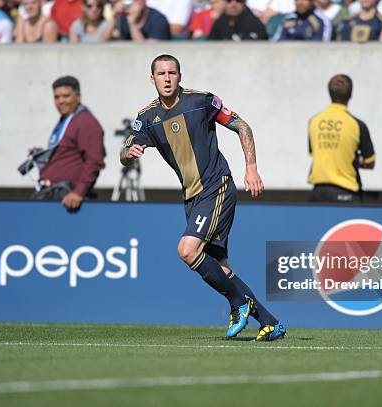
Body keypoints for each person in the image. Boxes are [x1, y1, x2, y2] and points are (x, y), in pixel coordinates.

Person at [120, 55, 286, 341]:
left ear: (180, 76)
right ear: (152, 79)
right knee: (221, 269)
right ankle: (270, 324)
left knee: (187, 249)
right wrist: (129, 154)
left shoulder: (202, 101)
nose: (167, 78)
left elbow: (242, 125)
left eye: (172, 72)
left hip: (216, 186)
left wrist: (251, 168)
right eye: (161, 73)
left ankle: (238, 302)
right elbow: (125, 151)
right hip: (192, 196)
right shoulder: (146, 117)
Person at [33, 76, 106, 212]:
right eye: (57, 97)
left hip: (69, 200)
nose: (61, 101)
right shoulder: (68, 120)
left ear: (78, 97)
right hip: (52, 194)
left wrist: (79, 192)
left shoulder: (86, 122)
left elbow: (94, 161)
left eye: (66, 96)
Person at [307, 74, 375, 203]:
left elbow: (315, 152)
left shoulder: (314, 122)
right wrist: (356, 159)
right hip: (346, 193)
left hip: (318, 193)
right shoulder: (357, 125)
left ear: (329, 93)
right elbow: (370, 162)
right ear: (350, 95)